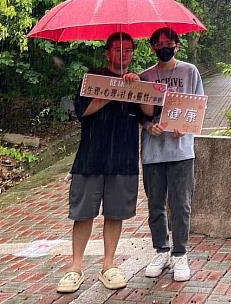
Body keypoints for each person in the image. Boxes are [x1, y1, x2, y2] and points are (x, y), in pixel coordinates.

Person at [56, 32, 145, 294]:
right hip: (90, 158)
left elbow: (148, 115)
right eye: (117, 49)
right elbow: (82, 112)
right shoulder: (92, 79)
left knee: (115, 213)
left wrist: (136, 87)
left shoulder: (138, 82)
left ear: (132, 53)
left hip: (124, 158)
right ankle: (75, 267)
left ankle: (109, 265)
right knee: (83, 213)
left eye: (127, 49)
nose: (122, 54)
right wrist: (112, 91)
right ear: (107, 53)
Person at [138, 27, 204, 282]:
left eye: (169, 42)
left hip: (181, 151)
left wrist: (184, 127)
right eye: (159, 43)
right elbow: (139, 114)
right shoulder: (145, 76)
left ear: (177, 44)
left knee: (181, 204)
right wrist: (147, 126)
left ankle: (180, 253)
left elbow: (198, 107)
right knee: (156, 204)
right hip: (153, 153)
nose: (165, 47)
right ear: (152, 47)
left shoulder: (190, 72)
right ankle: (161, 250)